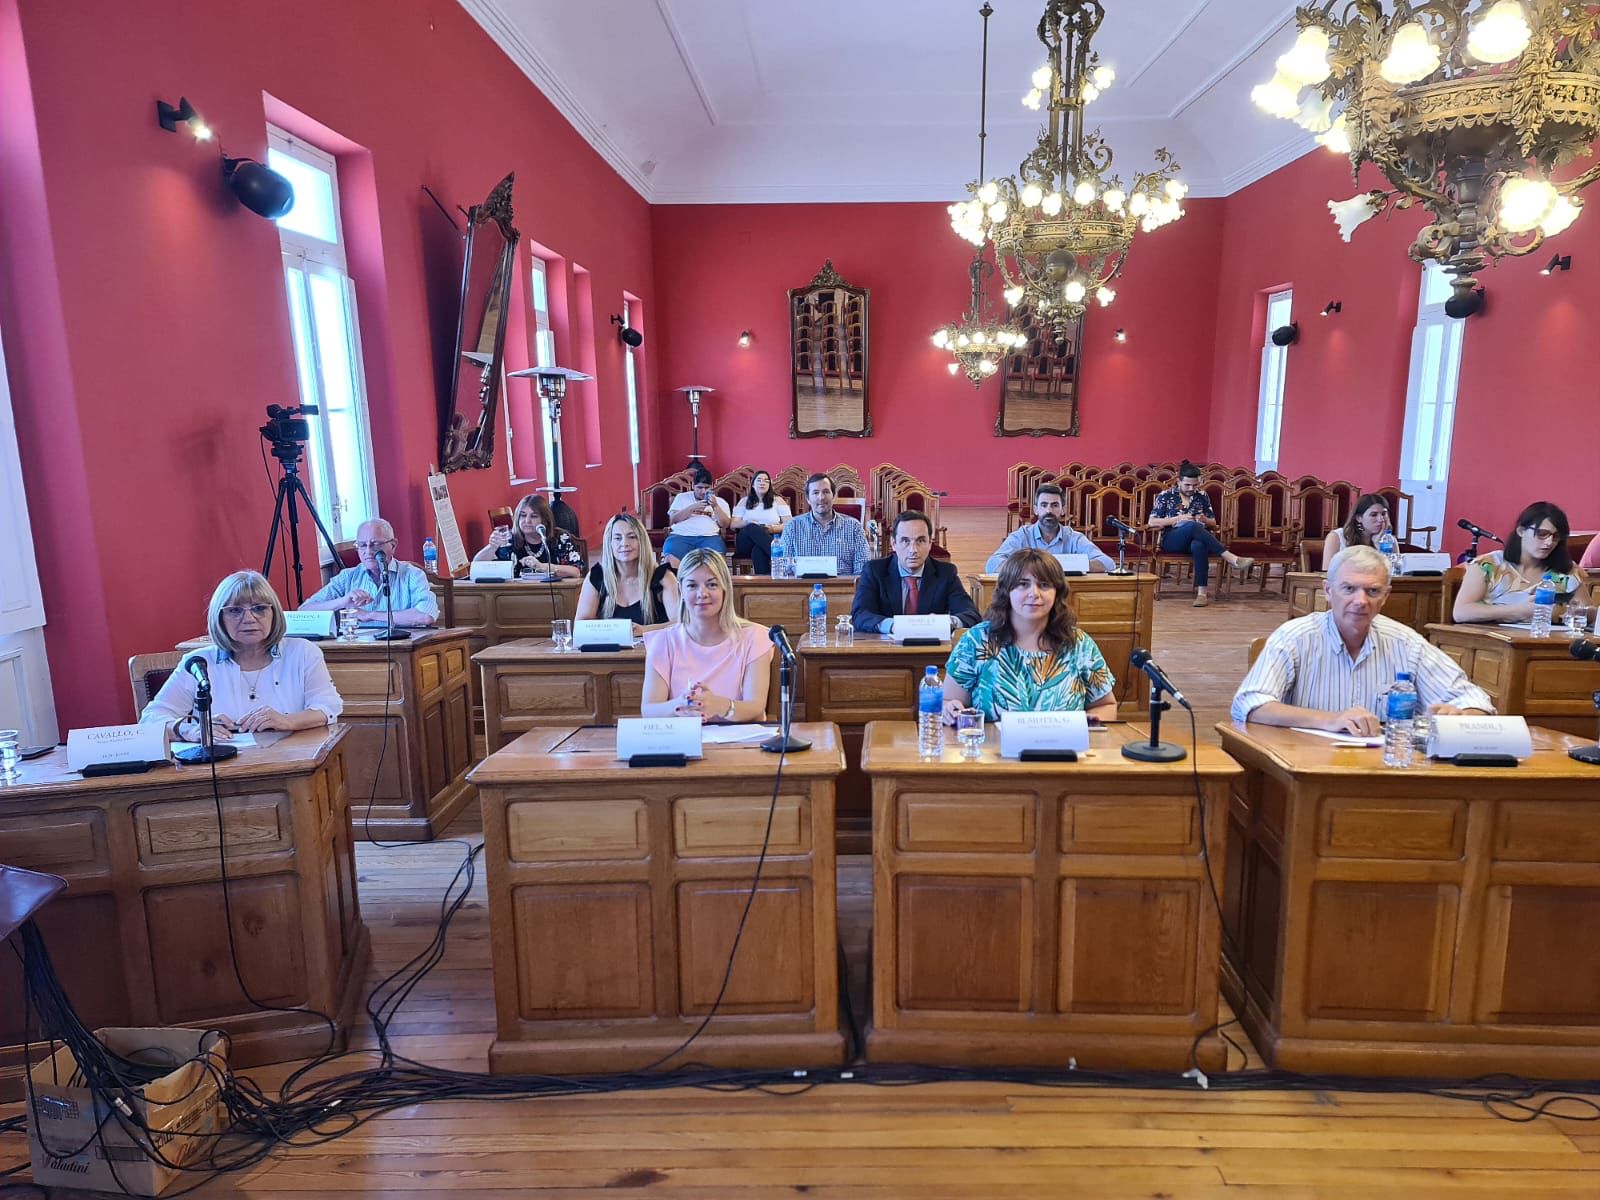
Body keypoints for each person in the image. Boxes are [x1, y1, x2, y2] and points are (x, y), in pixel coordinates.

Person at [1233, 545, 1493, 735]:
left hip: (1384, 770)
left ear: (1386, 596)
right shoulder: (1295, 637)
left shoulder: (1406, 643)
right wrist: (1330, 720)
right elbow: (1250, 705)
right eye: (1349, 589)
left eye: (1372, 591)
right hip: (1306, 766)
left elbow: (1475, 701)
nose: (1361, 601)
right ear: (1328, 591)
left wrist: (1459, 715)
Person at [142, 570, 343, 739]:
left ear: (274, 613)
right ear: (219, 617)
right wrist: (190, 730)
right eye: (235, 611)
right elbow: (152, 719)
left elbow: (328, 707)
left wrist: (287, 721)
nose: (249, 618)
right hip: (221, 766)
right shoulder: (198, 663)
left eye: (259, 608)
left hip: (291, 760)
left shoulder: (303, 652)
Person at [941, 549, 1118, 724]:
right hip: (992, 742)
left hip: (1063, 743)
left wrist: (1091, 722)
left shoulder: (1078, 643)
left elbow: (1106, 705)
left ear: (1057, 592)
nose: (1034, 593)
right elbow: (948, 701)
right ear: (1006, 591)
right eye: (1023, 584)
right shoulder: (977, 640)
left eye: (1044, 585)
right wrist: (950, 709)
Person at [641, 548, 773, 723]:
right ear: (680, 590)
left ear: (725, 588)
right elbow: (649, 709)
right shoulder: (662, 641)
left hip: (738, 737)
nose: (702, 594)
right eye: (692, 585)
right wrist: (680, 705)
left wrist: (721, 706)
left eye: (712, 585)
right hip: (685, 735)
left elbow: (756, 708)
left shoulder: (755, 637)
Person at [1453, 501, 1591, 623]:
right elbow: (1461, 612)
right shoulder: (1488, 565)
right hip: (1492, 640)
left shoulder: (1566, 570)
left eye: (1556, 536)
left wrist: (1566, 611)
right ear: (1521, 531)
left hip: (1548, 640)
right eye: (1542, 534)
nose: (1549, 542)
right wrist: (1518, 611)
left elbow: (1590, 612)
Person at [852, 510, 980, 634]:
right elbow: (860, 615)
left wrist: (948, 622)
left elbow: (971, 615)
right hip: (886, 647)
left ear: (930, 544)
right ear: (894, 543)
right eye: (905, 541)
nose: (913, 550)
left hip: (932, 647)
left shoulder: (945, 573)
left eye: (920, 541)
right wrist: (893, 625)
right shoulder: (874, 571)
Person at [1148, 462, 1254, 607]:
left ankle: (1202, 594)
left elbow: (1213, 522)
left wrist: (1204, 519)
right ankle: (1230, 557)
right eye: (1187, 485)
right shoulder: (1165, 496)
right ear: (1178, 481)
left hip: (1198, 536)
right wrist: (1178, 519)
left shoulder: (1202, 495)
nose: (1191, 489)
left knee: (1199, 544)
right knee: (1192, 526)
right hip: (1173, 538)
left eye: (1195, 485)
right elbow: (1152, 522)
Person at [301, 518, 440, 626]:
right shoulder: (347, 577)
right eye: (362, 545)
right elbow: (304, 612)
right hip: (359, 650)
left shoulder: (413, 575)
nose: (368, 551)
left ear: (393, 545)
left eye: (376, 544)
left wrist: (370, 615)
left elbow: (426, 615)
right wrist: (343, 601)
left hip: (403, 648)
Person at [574, 512, 679, 633]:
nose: (624, 544)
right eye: (618, 538)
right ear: (609, 543)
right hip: (611, 645)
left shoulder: (663, 577)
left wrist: (643, 630)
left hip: (653, 644)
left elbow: (679, 623)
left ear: (642, 541)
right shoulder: (597, 576)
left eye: (632, 537)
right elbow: (581, 627)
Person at [984, 483, 1115, 574]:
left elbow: (1108, 563)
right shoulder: (1022, 536)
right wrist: (1033, 568)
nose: (1049, 510)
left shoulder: (1074, 537)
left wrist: (1067, 565)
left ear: (1063, 510)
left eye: (1054, 505)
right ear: (1036, 509)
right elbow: (992, 564)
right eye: (1044, 505)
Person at [472, 495, 584, 580]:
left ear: (545, 520)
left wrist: (542, 566)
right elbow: (476, 566)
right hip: (515, 597)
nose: (527, 521)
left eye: (534, 516)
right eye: (523, 515)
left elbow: (576, 572)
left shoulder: (561, 538)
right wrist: (491, 547)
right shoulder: (509, 540)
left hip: (555, 596)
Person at [779, 472, 870, 576]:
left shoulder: (853, 527)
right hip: (802, 585)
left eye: (826, 492)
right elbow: (784, 570)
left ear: (834, 496)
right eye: (815, 493)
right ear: (808, 499)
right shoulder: (792, 527)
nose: (821, 497)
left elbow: (862, 570)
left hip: (843, 585)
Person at [661, 467, 731, 564]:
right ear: (693, 486)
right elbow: (674, 519)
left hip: (709, 537)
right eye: (699, 488)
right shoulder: (681, 498)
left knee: (716, 564)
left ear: (712, 486)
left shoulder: (720, 502)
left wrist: (715, 507)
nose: (703, 492)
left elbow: (725, 524)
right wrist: (691, 508)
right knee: (671, 562)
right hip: (681, 536)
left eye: (706, 488)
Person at [729, 469, 790, 575]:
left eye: (766, 481)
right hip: (746, 542)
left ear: (769, 485)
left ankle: (765, 581)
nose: (763, 483)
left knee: (758, 550)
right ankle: (781, 558)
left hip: (769, 535)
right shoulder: (744, 501)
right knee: (751, 527)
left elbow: (789, 524)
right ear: (753, 484)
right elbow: (733, 525)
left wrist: (772, 529)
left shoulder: (778, 501)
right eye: (759, 480)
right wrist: (747, 522)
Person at [1322, 493, 1391, 566]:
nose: (1381, 519)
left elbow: (1392, 570)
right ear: (1359, 518)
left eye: (1384, 514)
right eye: (1374, 515)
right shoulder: (1336, 537)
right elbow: (1327, 570)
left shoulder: (1389, 540)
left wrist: (1378, 545)